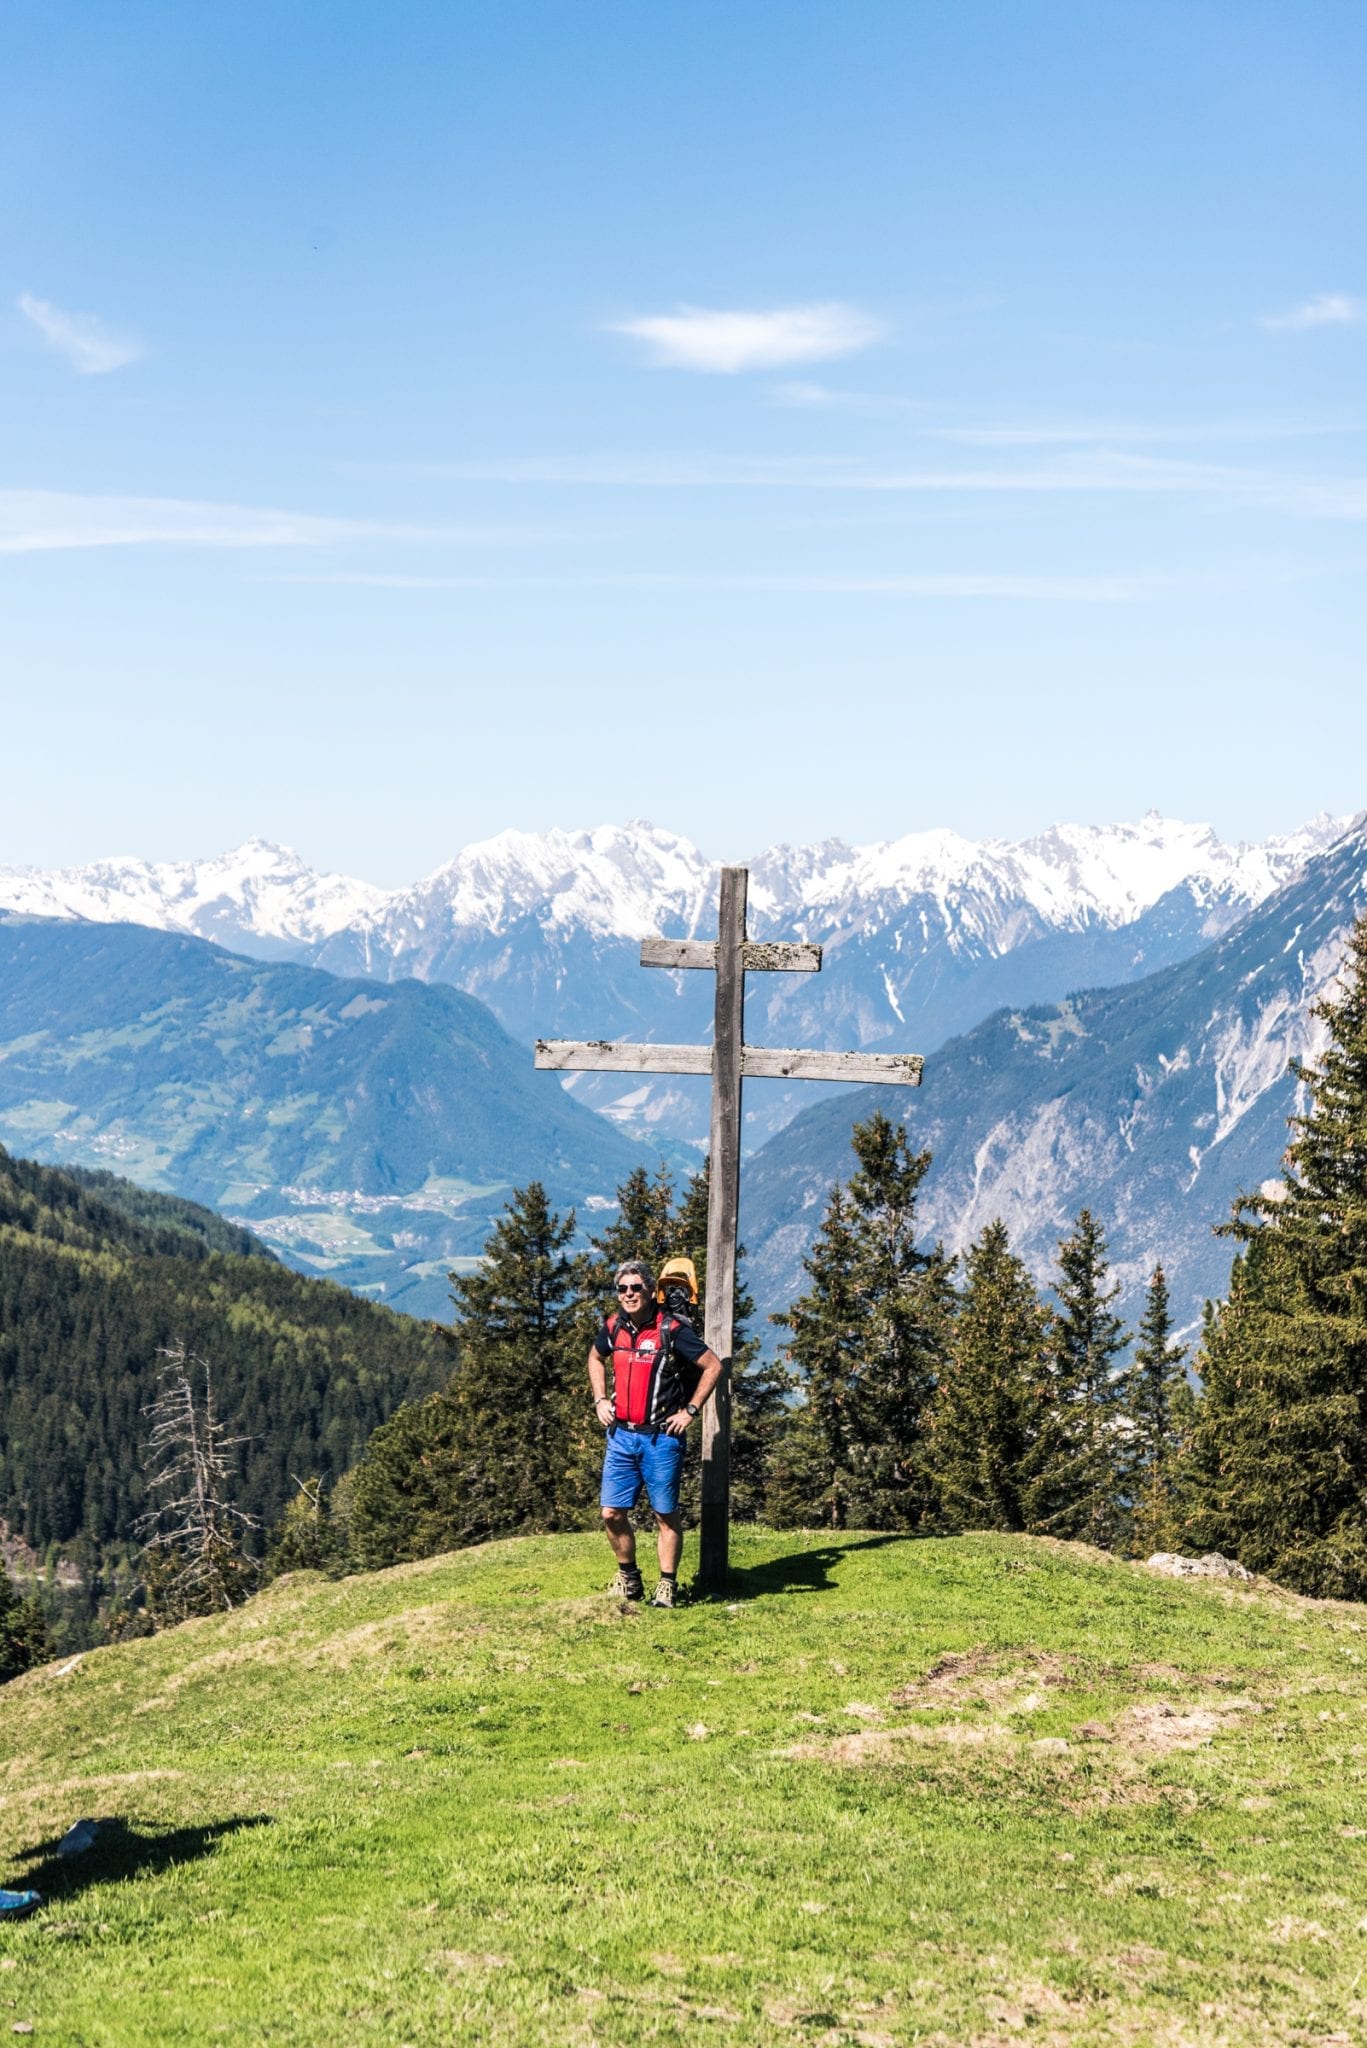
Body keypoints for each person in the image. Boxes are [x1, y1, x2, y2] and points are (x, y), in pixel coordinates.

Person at [588, 1259, 723, 1608]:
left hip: (661, 1438)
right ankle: (629, 1578)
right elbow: (594, 1357)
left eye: (636, 1288)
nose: (629, 1294)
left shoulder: (671, 1329)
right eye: (622, 1289)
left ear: (651, 1290)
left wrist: (690, 1411)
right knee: (611, 1513)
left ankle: (667, 1585)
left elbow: (713, 1366)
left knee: (665, 1514)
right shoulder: (614, 1326)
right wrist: (600, 1399)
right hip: (621, 1436)